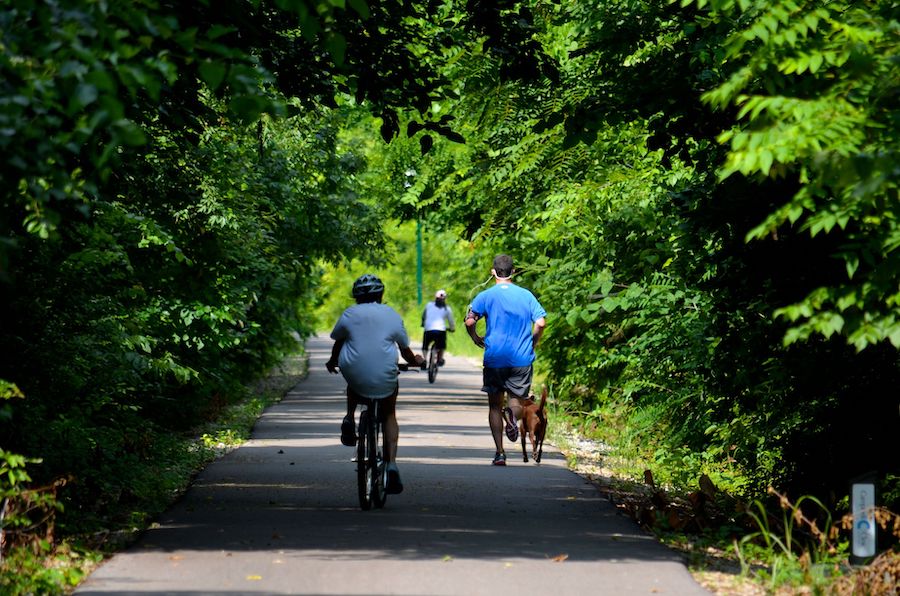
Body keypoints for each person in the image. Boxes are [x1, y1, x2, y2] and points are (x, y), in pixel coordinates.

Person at [326, 273, 425, 493]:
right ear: (381, 294)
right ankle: (391, 465)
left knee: (353, 378)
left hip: (354, 374)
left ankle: (350, 418)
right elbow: (405, 351)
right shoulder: (391, 314)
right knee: (389, 413)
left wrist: (333, 361)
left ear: (356, 296)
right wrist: (416, 360)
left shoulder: (349, 314)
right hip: (384, 375)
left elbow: (339, 342)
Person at [465, 254, 547, 466]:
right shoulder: (526, 296)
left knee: (494, 406)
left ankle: (500, 453)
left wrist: (476, 338)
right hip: (521, 358)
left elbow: (469, 321)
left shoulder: (486, 296)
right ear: (514, 271)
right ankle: (511, 415)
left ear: (493, 272)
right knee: (516, 402)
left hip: (495, 358)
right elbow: (541, 322)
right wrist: (533, 343)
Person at [421, 289, 456, 366]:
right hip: (440, 330)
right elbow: (451, 321)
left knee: (425, 345)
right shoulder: (447, 308)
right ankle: (440, 359)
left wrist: (423, 324)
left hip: (428, 329)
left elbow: (424, 316)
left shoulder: (429, 305)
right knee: (442, 345)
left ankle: (424, 359)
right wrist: (452, 329)